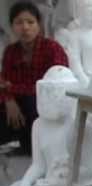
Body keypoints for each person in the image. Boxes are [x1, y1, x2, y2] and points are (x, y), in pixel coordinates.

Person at [0, 1, 68, 155]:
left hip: (46, 106)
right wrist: (9, 99)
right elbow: (3, 82)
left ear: (39, 25)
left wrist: (12, 88)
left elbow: (52, 87)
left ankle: (37, 148)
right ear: (12, 26)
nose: (25, 28)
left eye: (30, 22)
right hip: (19, 105)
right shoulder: (11, 52)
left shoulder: (52, 49)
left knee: (33, 101)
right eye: (19, 23)